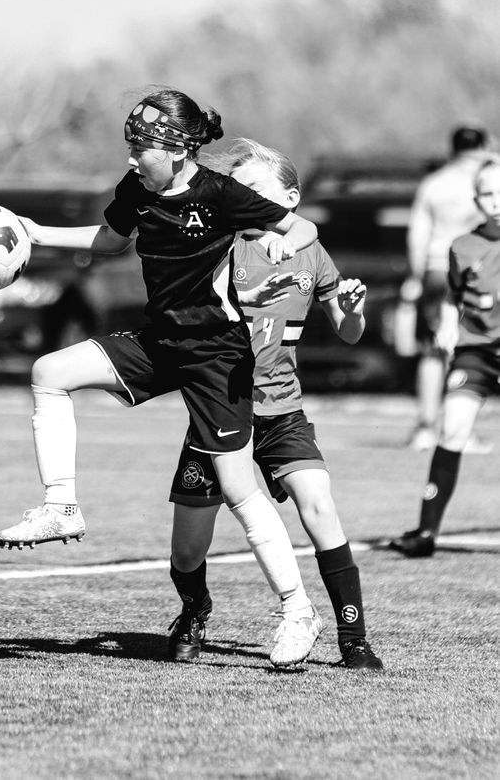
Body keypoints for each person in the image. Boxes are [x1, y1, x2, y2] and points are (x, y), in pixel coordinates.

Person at [0, 88, 320, 663]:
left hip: (217, 354)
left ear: (175, 149)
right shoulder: (137, 190)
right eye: (129, 146)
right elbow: (112, 241)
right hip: (160, 342)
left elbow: (304, 230)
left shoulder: (220, 193)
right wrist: (36, 232)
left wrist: (279, 243)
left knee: (239, 489)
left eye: (140, 148)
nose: (130, 158)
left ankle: (297, 611)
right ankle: (61, 507)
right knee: (50, 371)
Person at [166, 139, 384, 671]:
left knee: (319, 504)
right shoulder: (222, 247)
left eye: (254, 189)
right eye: (237, 189)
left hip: (282, 411)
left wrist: (354, 311)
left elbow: (349, 332)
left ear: (289, 197)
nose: (243, 198)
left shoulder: (312, 251)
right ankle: (195, 607)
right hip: (220, 410)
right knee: (187, 553)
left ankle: (353, 639)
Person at [391, 156, 500, 557]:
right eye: (488, 194)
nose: (496, 201)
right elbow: (454, 296)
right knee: (452, 429)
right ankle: (425, 532)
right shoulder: (462, 246)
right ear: (476, 199)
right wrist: (450, 324)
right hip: (478, 354)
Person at [401, 124, 491, 453]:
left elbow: (418, 236)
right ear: (482, 144)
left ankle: (426, 428)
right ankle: (460, 432)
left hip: (436, 268)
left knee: (432, 349)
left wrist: (414, 276)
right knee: (469, 350)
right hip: (476, 272)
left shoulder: (434, 183)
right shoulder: (487, 180)